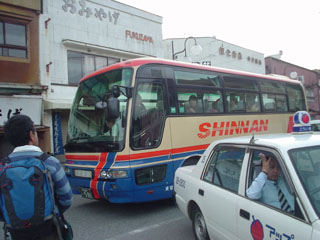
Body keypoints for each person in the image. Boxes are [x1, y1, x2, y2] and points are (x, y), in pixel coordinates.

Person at [2, 114, 73, 240]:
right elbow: (66, 198)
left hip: (15, 233)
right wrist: (52, 209)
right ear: (31, 135)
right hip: (47, 229)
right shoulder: (50, 162)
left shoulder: (3, 166)